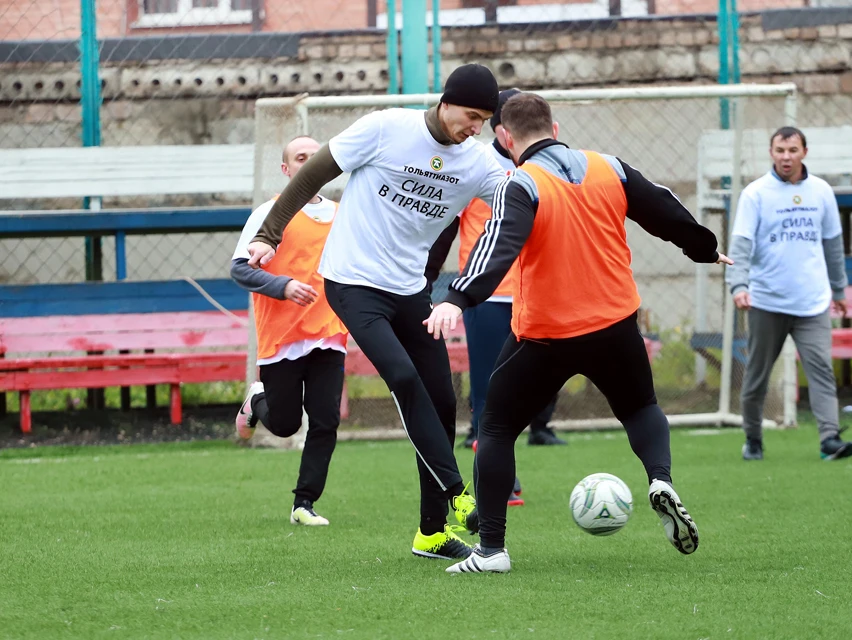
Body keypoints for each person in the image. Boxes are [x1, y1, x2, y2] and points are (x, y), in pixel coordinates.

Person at [425, 93, 730, 574]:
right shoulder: (609, 166)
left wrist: (456, 295)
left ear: (504, 137)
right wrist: (704, 249)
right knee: (640, 408)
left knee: (497, 427)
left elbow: (496, 246)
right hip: (615, 324)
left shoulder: (521, 183)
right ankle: (659, 478)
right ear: (556, 125)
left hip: (547, 333)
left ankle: (492, 550)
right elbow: (664, 208)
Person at [245, 64, 507, 560]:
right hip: (351, 282)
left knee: (443, 400)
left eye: (485, 121)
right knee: (404, 379)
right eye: (471, 116)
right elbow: (311, 175)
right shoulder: (386, 128)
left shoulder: (477, 163)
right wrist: (267, 235)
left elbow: (522, 201)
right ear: (446, 102)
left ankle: (431, 534)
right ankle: (458, 494)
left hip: (410, 292)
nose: (476, 128)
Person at [427, 88, 566, 451]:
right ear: (500, 130)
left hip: (538, 289)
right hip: (489, 291)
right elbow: (447, 228)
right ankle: (480, 430)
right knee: (487, 372)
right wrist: (427, 280)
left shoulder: (546, 167)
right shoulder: (473, 165)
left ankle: (541, 425)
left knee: (546, 368)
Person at [231, 135, 348, 526]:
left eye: (316, 156)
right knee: (285, 425)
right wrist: (282, 285)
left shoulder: (341, 213)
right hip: (282, 339)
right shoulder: (270, 212)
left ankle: (304, 504)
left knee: (326, 419)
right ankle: (256, 399)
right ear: (286, 170)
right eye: (301, 157)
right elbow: (240, 269)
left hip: (329, 334)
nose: (310, 162)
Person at [725, 126, 852, 462]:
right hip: (767, 301)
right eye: (780, 150)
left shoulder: (821, 192)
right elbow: (741, 244)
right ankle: (753, 439)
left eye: (792, 150)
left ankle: (830, 438)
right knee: (756, 378)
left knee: (821, 371)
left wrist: (839, 289)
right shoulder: (755, 194)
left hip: (812, 302)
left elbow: (832, 245)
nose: (786, 157)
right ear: (772, 153)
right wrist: (739, 285)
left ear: (804, 152)